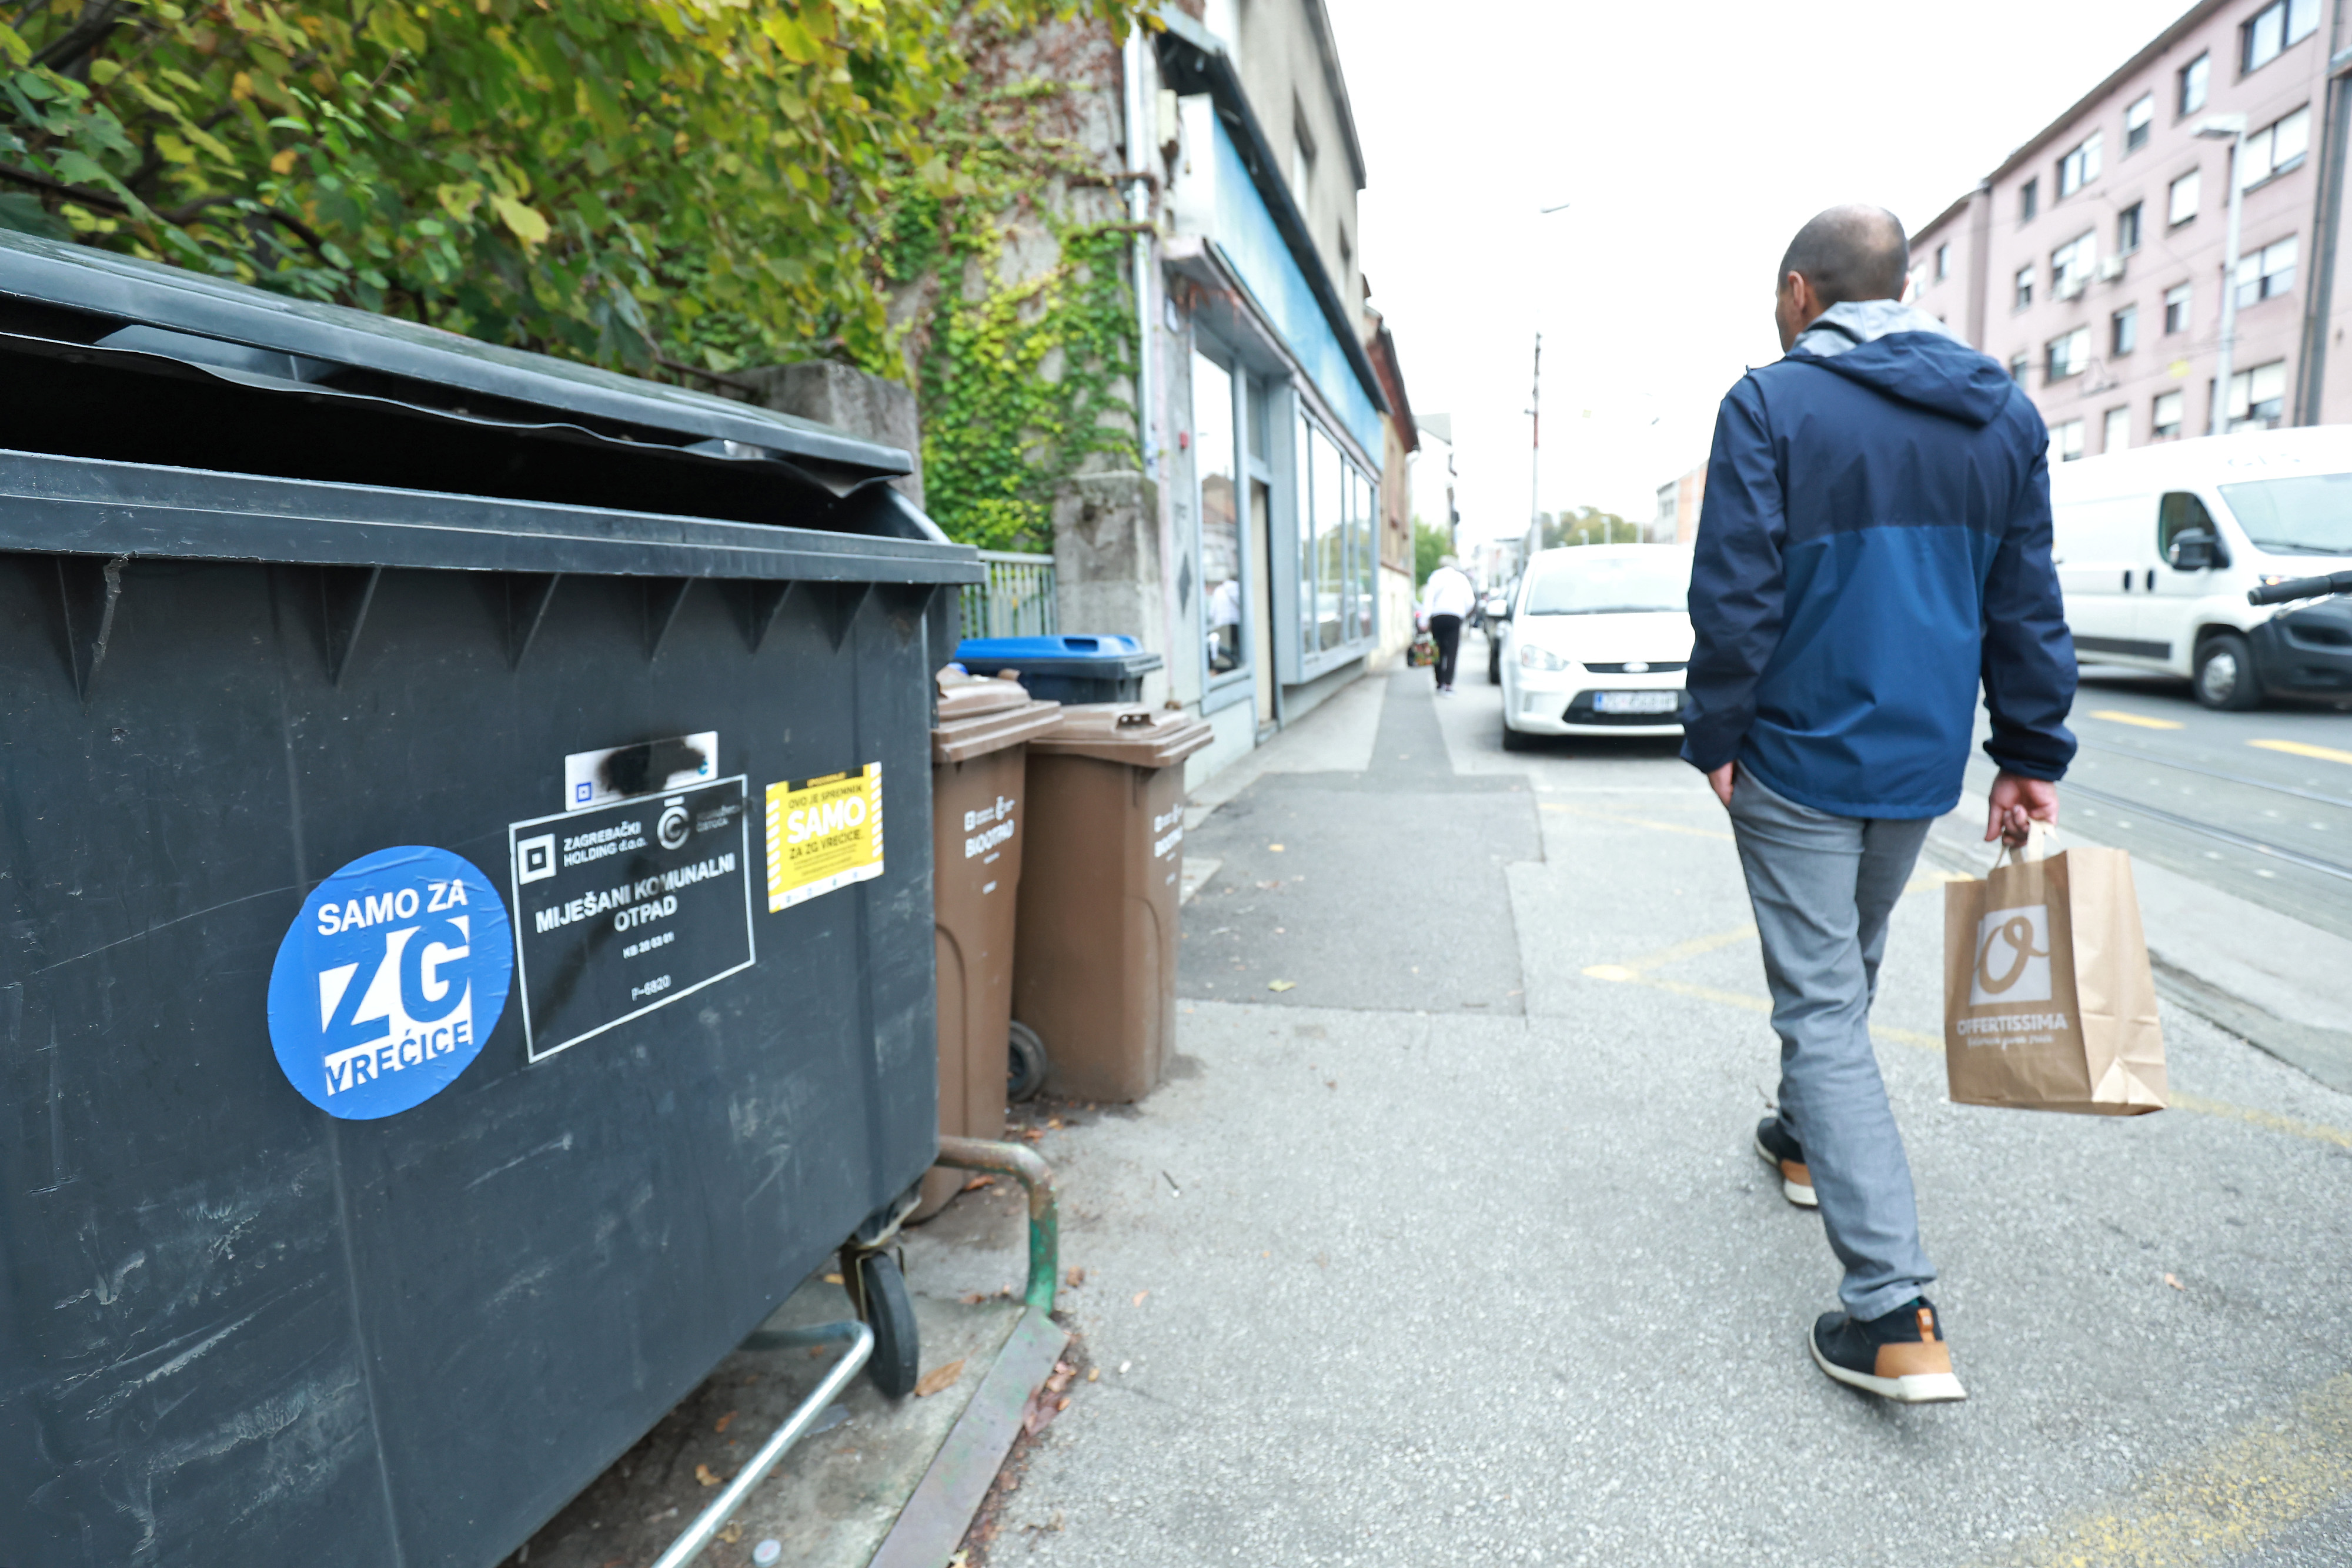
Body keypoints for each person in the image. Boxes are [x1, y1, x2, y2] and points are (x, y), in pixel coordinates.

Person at [1682, 205, 2076, 1405]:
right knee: (1844, 964)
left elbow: (1735, 589)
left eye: (1775, 295)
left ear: (1803, 292)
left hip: (1796, 754)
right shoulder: (2000, 415)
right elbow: (2024, 598)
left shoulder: (1770, 404)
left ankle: (1891, 1307)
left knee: (1818, 999)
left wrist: (1713, 732)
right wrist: (2025, 749)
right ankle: (1805, 1142)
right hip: (1917, 763)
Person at [1421, 555, 1476, 693]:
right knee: (1452, 651)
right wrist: (1462, 613)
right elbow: (1470, 601)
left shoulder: (1435, 577)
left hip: (1437, 616)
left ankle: (1439, 682)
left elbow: (1428, 601)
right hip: (1454, 617)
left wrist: (1424, 620)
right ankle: (1448, 684)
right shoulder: (1461, 578)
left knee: (1437, 650)